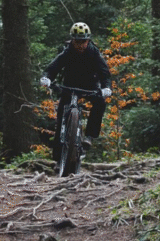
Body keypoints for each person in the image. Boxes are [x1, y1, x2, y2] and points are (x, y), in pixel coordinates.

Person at [39, 22, 112, 151]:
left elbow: (104, 73)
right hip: (69, 85)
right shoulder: (67, 51)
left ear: (88, 40)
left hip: (90, 86)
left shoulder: (94, 52)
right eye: (77, 41)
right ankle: (58, 158)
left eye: (83, 41)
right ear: (72, 40)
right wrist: (47, 78)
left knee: (100, 103)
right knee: (61, 118)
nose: (80, 45)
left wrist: (106, 88)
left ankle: (89, 136)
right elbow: (53, 67)